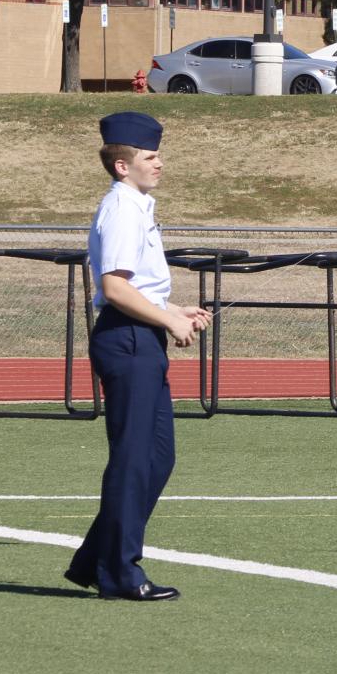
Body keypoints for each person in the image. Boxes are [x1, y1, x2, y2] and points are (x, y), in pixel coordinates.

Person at [64, 111, 211, 601]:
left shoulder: (137, 206)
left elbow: (136, 286)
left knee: (157, 457)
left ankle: (95, 559)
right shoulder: (124, 208)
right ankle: (120, 571)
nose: (160, 164)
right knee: (133, 460)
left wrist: (173, 308)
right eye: (150, 157)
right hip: (128, 339)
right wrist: (168, 320)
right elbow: (113, 288)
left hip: (140, 335)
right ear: (122, 166)